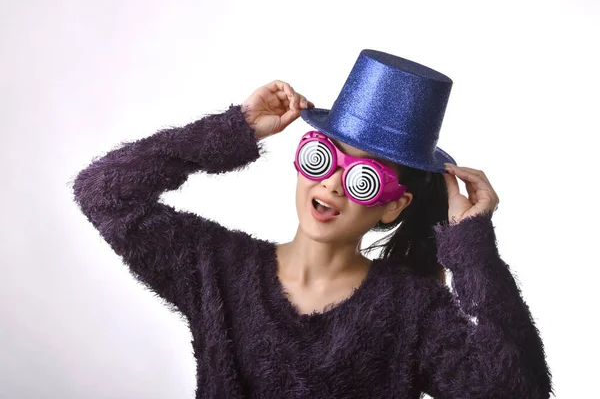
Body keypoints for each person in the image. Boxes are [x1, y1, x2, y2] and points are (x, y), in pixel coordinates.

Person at [72, 49, 553, 398]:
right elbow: (105, 191)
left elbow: (518, 391)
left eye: (365, 178)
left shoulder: (413, 310)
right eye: (323, 157)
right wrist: (233, 129)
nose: (335, 184)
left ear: (393, 205)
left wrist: (473, 251)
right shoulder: (218, 268)